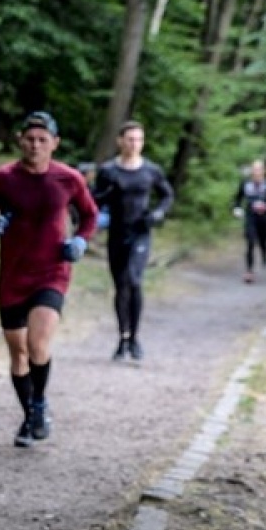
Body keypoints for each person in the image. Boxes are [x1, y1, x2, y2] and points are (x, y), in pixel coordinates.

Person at [0, 111, 98, 448]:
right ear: (19, 141)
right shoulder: (3, 178)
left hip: (52, 271)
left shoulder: (68, 179)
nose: (35, 145)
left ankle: (39, 404)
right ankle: (30, 414)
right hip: (13, 276)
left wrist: (81, 240)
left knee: (38, 344)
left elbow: (90, 214)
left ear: (55, 143)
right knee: (18, 353)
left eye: (43, 140)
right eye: (30, 139)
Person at [90, 120, 174, 362]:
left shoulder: (151, 170)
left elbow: (167, 195)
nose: (135, 144)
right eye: (130, 139)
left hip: (141, 232)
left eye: (139, 139)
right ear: (120, 141)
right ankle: (123, 338)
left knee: (134, 280)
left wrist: (158, 213)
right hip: (117, 233)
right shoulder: (108, 171)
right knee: (120, 286)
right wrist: (102, 198)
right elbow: (95, 200)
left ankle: (135, 338)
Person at [233, 159, 266, 283]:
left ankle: (264, 255)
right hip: (250, 217)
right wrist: (237, 208)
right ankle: (249, 271)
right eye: (254, 169)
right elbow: (237, 198)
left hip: (264, 218)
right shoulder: (245, 184)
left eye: (259, 169)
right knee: (250, 242)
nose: (256, 172)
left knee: (262, 241)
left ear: (264, 171)